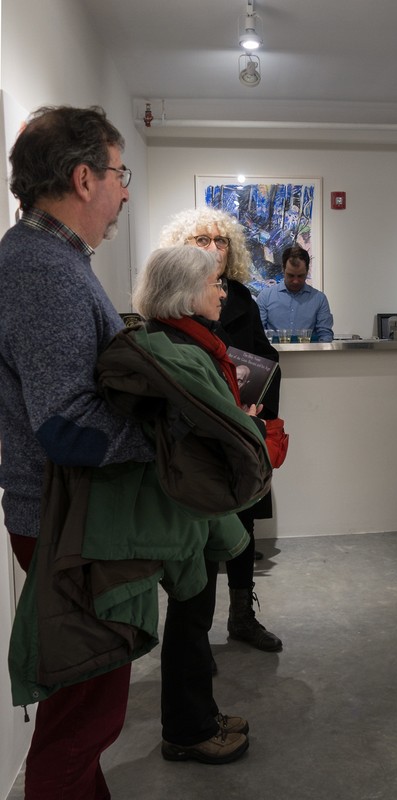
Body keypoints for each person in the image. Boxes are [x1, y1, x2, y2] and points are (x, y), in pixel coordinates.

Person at [0, 105, 155, 799]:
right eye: (120, 174)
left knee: (84, 714)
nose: (126, 191)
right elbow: (67, 424)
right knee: (82, 722)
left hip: (69, 520)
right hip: (68, 526)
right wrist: (170, 436)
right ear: (85, 177)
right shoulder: (44, 271)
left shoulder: (49, 259)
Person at [133, 245, 257, 764]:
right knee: (191, 617)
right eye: (214, 284)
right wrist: (242, 423)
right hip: (192, 502)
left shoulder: (180, 340)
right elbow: (198, 431)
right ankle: (188, 731)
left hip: (194, 499)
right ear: (186, 294)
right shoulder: (181, 349)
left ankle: (200, 713)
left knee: (196, 615)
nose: (222, 291)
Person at [159, 207, 282, 651]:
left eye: (221, 240)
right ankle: (193, 643)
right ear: (183, 248)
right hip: (198, 438)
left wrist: (258, 407)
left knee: (243, 528)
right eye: (202, 240)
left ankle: (242, 618)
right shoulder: (176, 298)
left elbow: (264, 355)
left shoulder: (243, 297)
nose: (215, 249)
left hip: (241, 430)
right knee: (202, 538)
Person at [256, 245, 334, 342]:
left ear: (307, 271)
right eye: (291, 275)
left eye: (300, 276)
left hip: (309, 356)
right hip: (273, 356)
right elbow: (257, 333)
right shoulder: (265, 297)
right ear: (283, 269)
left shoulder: (319, 299)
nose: (295, 281)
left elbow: (325, 336)